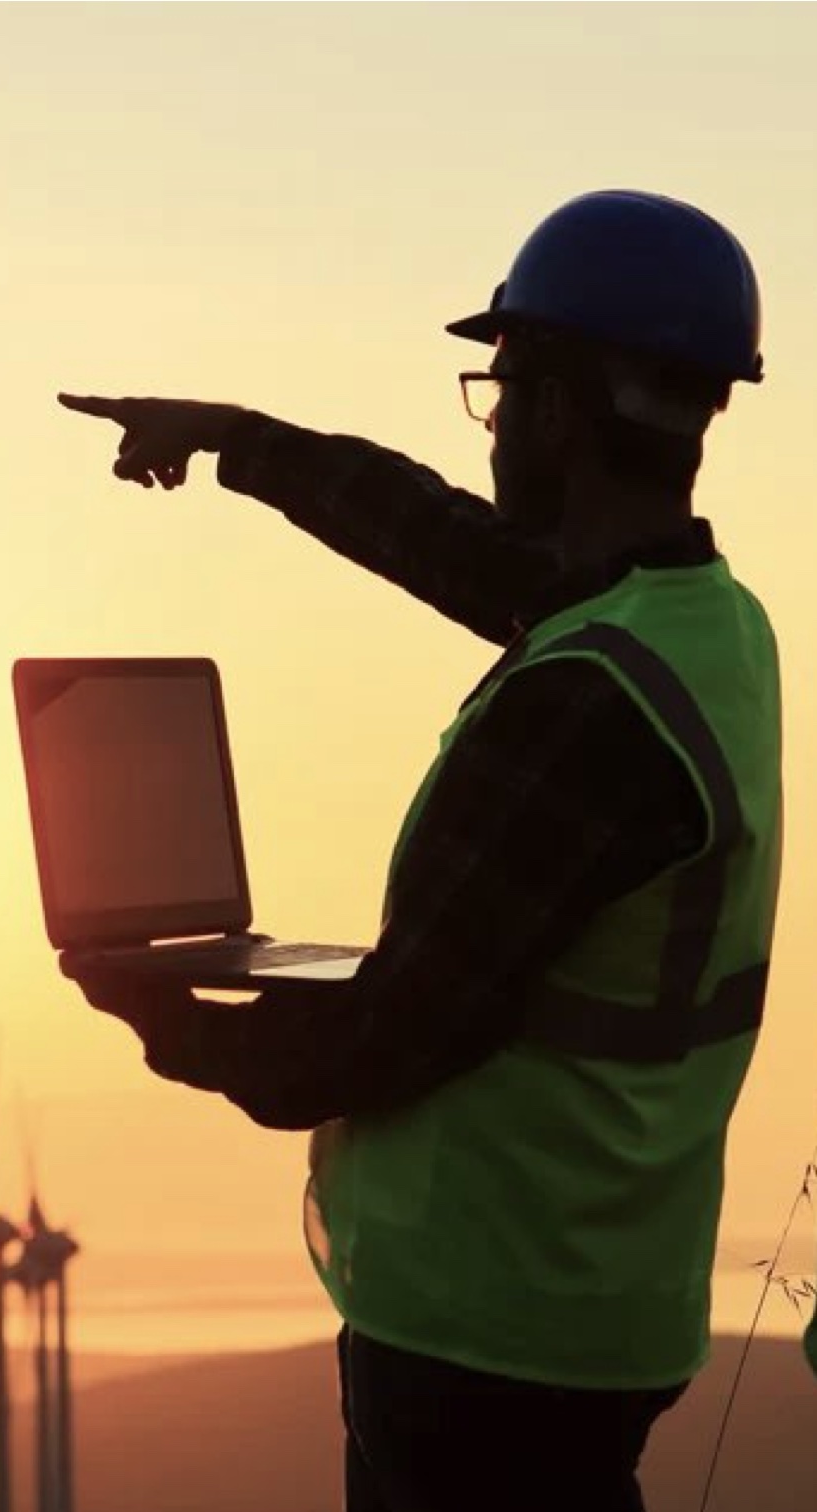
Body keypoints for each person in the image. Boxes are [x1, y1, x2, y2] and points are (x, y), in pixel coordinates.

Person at [55, 190, 782, 1512]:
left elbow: (389, 1034)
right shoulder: (707, 629)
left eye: (503, 388)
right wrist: (233, 440)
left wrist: (168, 1020)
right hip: (600, 1302)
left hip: (485, 1330)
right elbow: (449, 540)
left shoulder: (581, 706)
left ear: (562, 407)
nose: (493, 420)